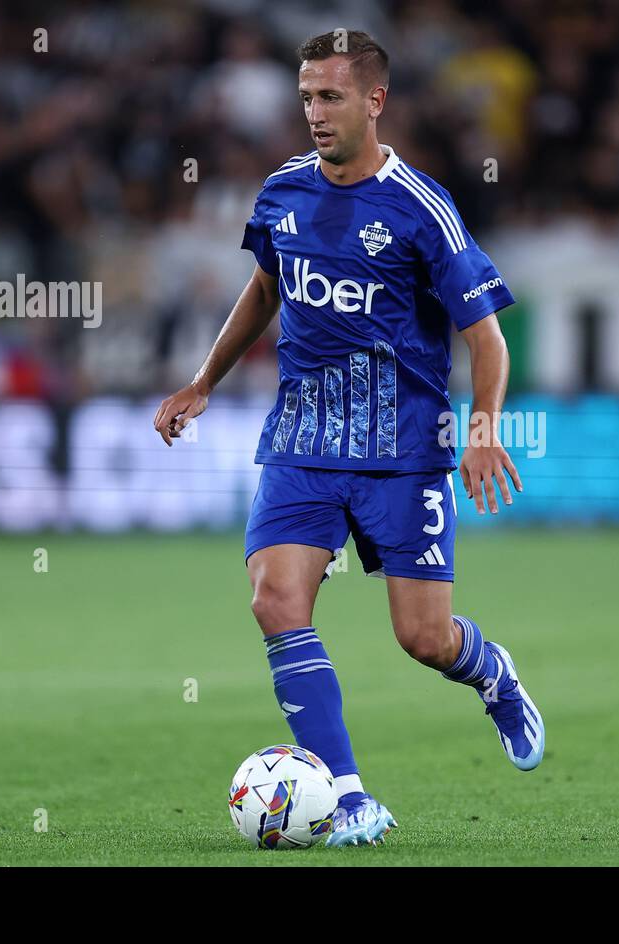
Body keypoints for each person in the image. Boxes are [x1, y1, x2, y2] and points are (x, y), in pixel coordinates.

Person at [153, 30, 543, 848]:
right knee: (274, 600)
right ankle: (352, 797)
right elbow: (264, 291)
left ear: (375, 101)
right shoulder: (282, 192)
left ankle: (493, 674)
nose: (314, 114)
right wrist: (204, 381)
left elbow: (488, 339)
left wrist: (481, 431)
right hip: (301, 440)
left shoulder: (421, 208)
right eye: (305, 97)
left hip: (402, 451)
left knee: (423, 638)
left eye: (330, 97)